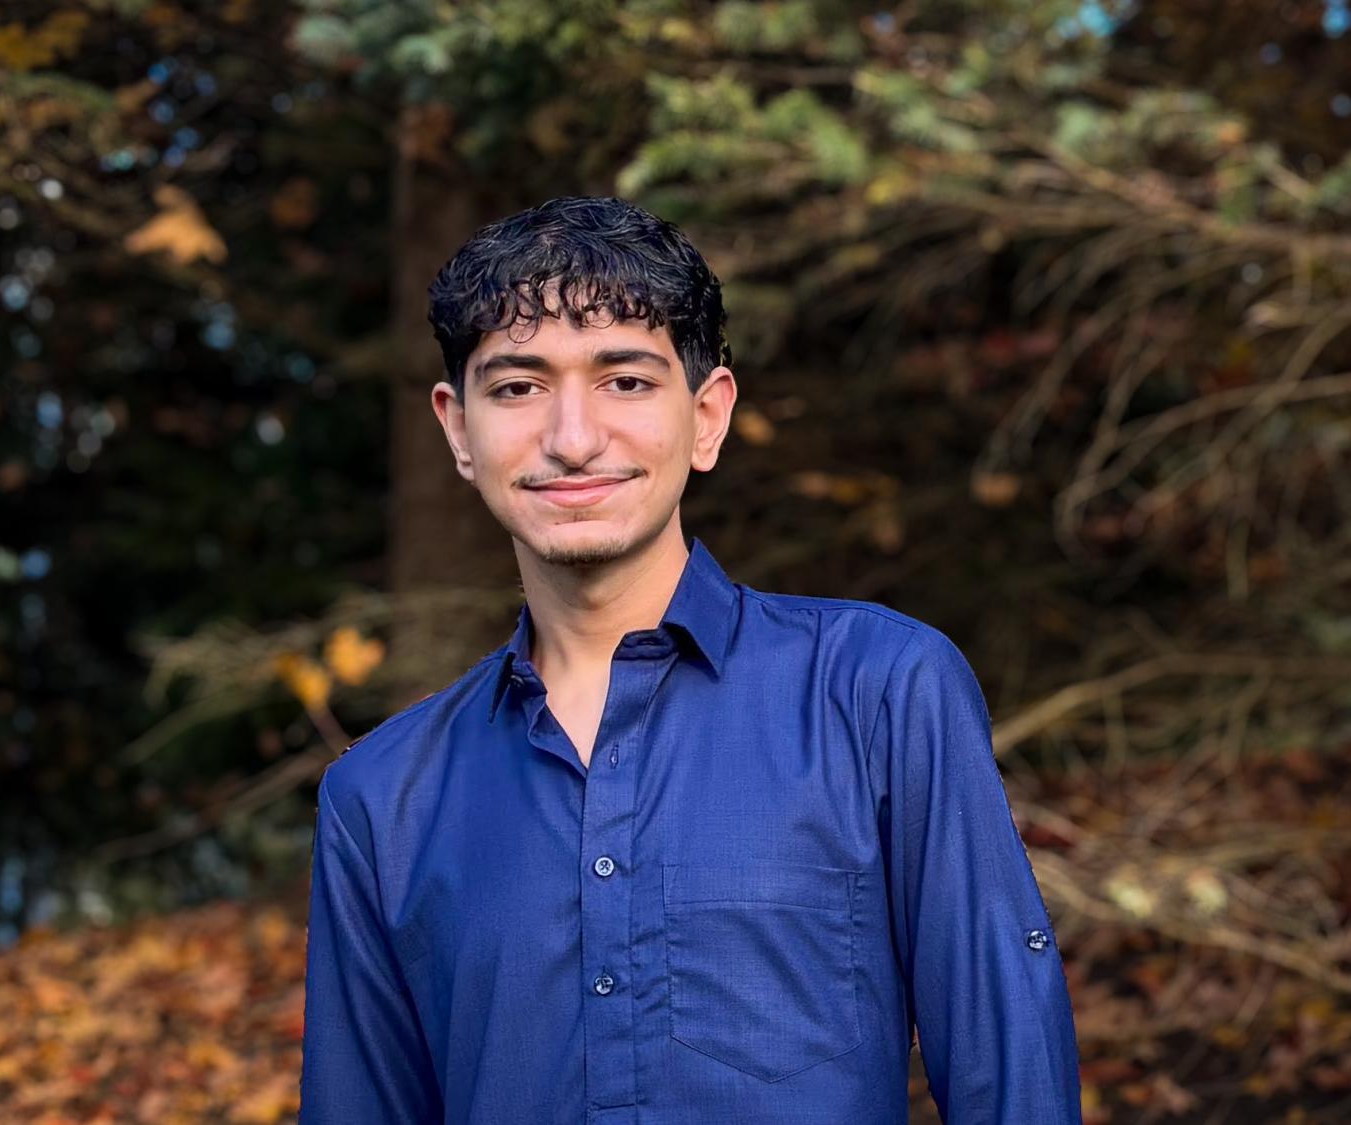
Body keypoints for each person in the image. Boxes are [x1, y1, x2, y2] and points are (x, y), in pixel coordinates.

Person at [298, 195, 1081, 1124]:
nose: (573, 438)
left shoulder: (879, 691)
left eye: (625, 380)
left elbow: (1012, 1076)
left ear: (707, 416)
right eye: (518, 387)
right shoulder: (381, 799)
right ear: (459, 430)